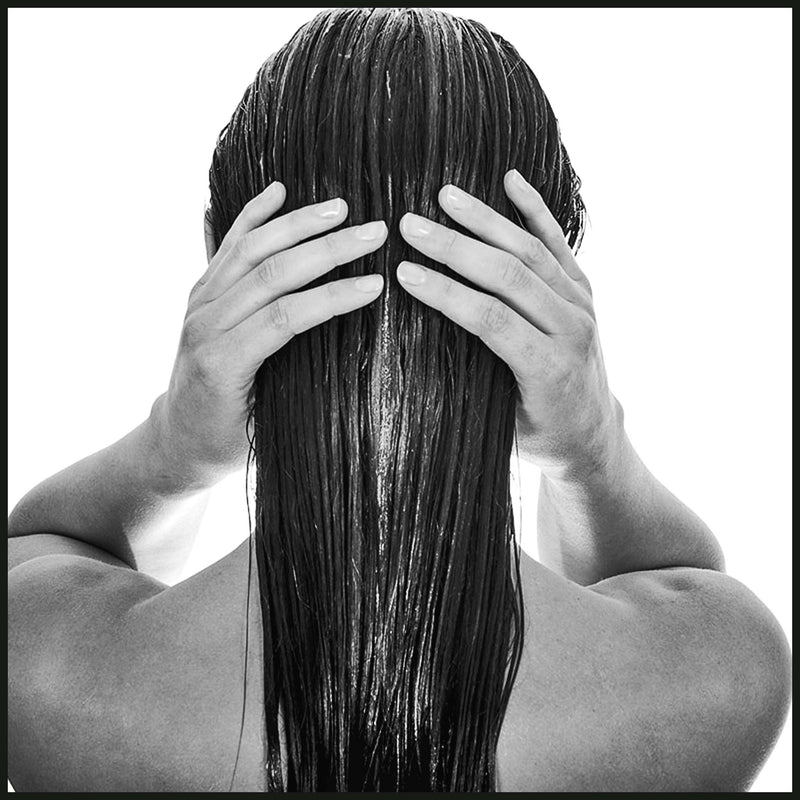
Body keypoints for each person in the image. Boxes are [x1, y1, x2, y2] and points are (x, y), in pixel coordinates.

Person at [7, 7, 791, 792]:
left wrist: (175, 446)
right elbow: (675, 589)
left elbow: (44, 545)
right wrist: (591, 449)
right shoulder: (717, 680)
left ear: (225, 270)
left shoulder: (44, 673)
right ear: (544, 296)